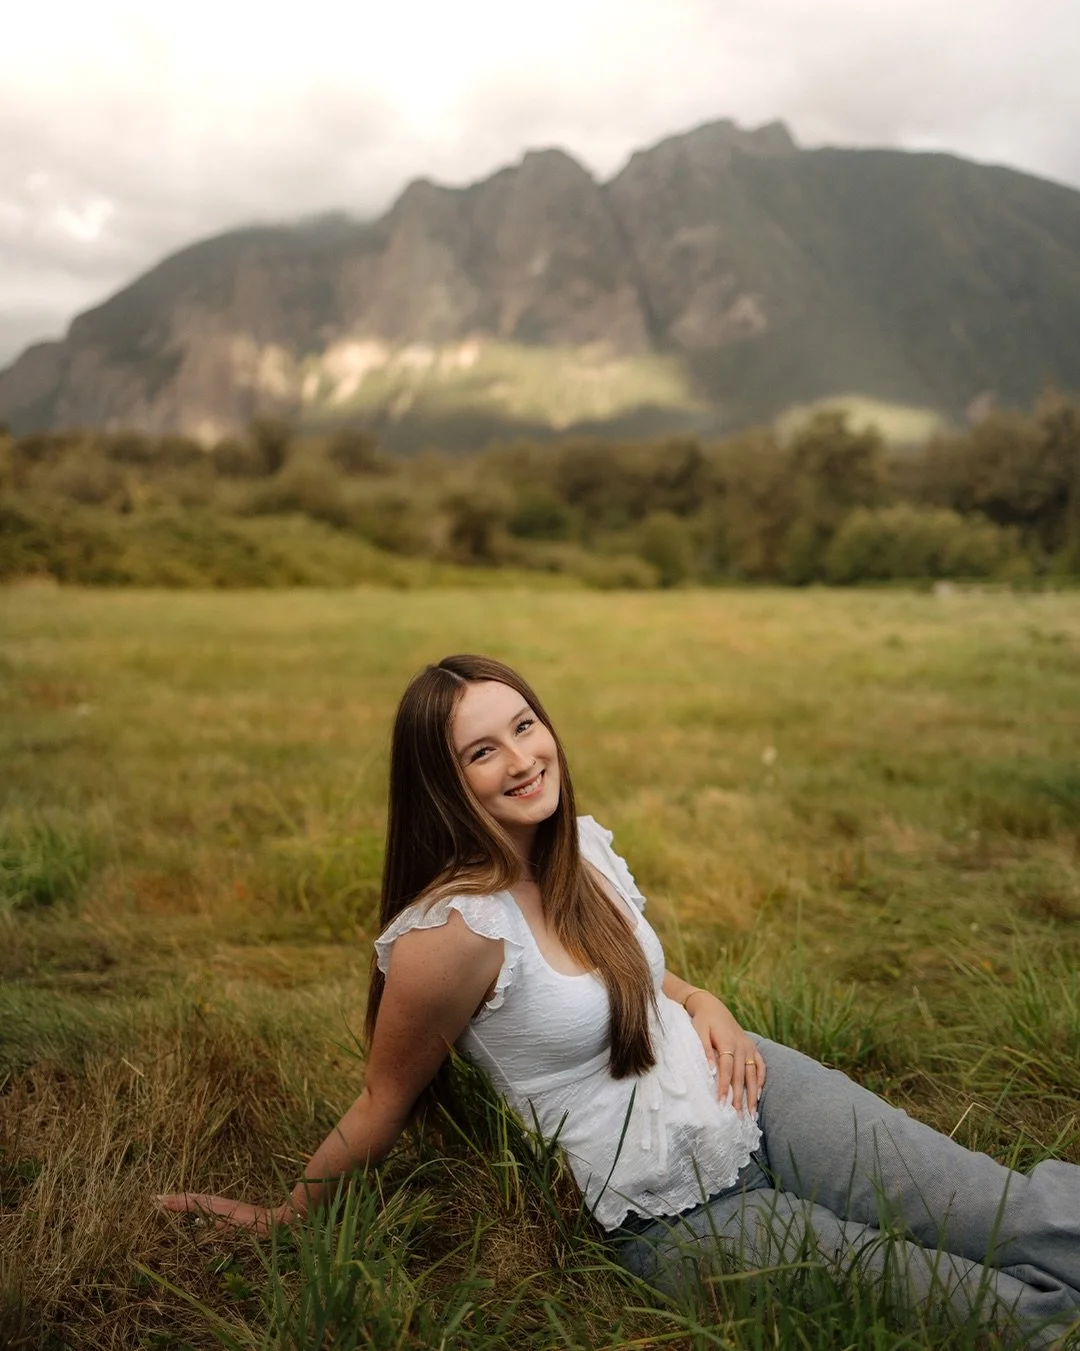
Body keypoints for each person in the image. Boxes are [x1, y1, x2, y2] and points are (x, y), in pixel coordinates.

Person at [157, 655, 1080, 1347]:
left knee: (1009, 1212)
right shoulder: (450, 934)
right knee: (990, 1313)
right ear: (443, 779)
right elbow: (381, 1100)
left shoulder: (580, 847)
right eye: (483, 749)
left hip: (750, 1084)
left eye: (525, 725)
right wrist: (288, 1214)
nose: (523, 758)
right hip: (668, 1209)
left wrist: (702, 996)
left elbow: (635, 976)